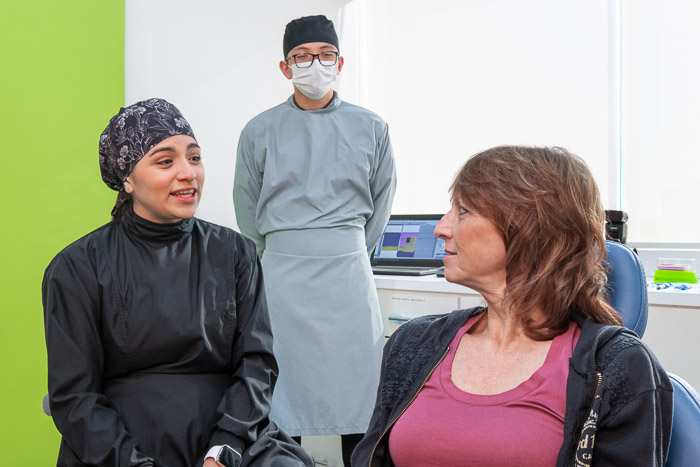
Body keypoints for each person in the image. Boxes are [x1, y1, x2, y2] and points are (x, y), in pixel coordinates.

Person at [352, 146, 673, 466]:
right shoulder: (411, 344)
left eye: (462, 211)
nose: (440, 229)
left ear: (529, 228)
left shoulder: (621, 367)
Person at [42, 98, 313, 467]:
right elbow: (75, 397)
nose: (188, 173)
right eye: (165, 161)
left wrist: (224, 450)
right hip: (122, 444)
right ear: (128, 179)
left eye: (195, 157)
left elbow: (257, 364)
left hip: (231, 434)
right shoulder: (77, 267)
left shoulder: (234, 252)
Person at [233, 15, 396, 466]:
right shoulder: (259, 131)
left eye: (324, 55)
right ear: (285, 68)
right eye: (302, 57)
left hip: (347, 273)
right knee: (285, 397)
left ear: (340, 62)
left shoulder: (372, 128)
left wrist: (348, 249)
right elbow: (247, 210)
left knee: (360, 397)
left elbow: (380, 203)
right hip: (283, 278)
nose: (314, 65)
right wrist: (278, 254)